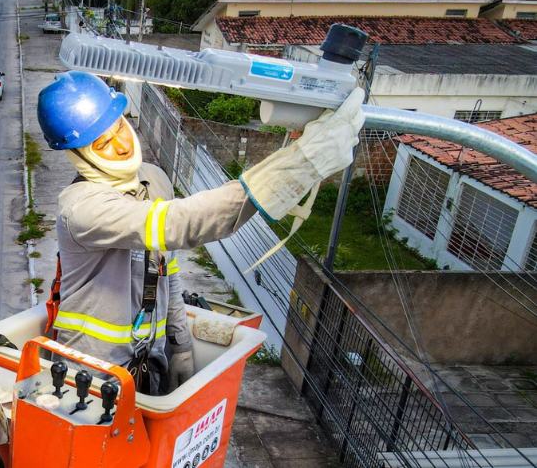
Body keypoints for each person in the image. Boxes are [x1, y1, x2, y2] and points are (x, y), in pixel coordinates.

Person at [36, 71, 364, 396]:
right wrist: (300, 164)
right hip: (91, 374)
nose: (122, 145)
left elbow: (168, 273)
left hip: (149, 362)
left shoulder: (152, 179)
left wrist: (179, 345)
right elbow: (180, 222)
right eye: (103, 143)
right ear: (77, 154)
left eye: (120, 126)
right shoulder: (81, 209)